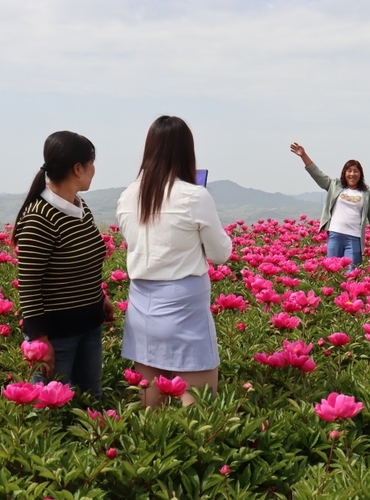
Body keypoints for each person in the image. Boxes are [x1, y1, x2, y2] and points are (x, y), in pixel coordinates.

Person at [116, 116, 232, 407]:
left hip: (142, 307)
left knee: (150, 410)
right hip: (185, 309)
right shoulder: (194, 196)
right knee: (198, 412)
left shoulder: (127, 197)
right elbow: (220, 253)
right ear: (186, 152)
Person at [12, 131, 114, 399]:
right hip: (57, 336)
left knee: (91, 400)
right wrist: (40, 341)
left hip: (89, 326)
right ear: (78, 168)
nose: (95, 169)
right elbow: (30, 285)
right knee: (53, 413)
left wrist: (99, 298)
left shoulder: (80, 208)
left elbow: (83, 263)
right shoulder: (39, 218)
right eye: (92, 163)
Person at [290, 142, 370, 268]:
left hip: (354, 237)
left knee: (351, 272)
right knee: (333, 269)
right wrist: (304, 156)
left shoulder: (367, 193)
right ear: (344, 173)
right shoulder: (334, 185)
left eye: (356, 171)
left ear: (361, 174)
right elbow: (317, 174)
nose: (352, 174)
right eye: (349, 171)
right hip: (335, 234)